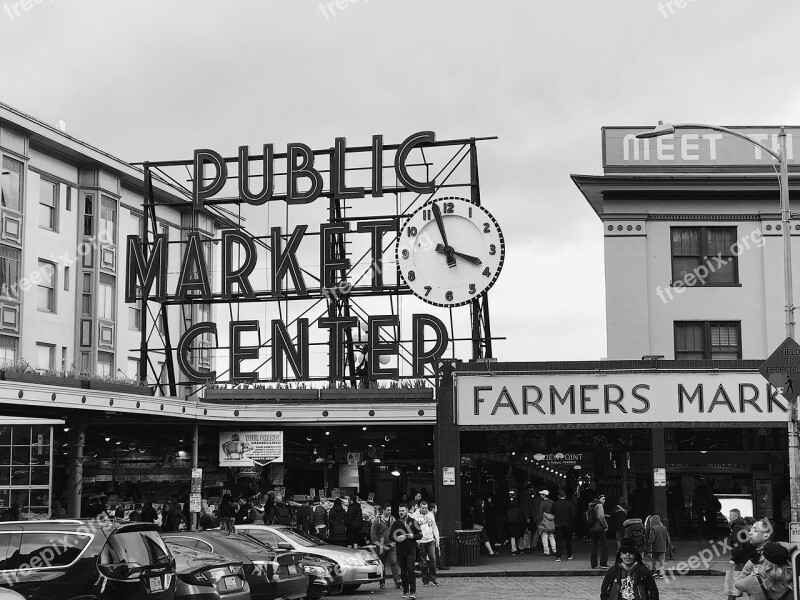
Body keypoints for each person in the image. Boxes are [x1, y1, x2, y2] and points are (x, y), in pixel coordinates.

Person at [390, 504, 422, 600]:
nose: (401, 512)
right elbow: (390, 536)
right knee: (403, 571)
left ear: (407, 511)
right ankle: (405, 590)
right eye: (400, 511)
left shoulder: (413, 521)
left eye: (403, 511)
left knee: (410, 569)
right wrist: (397, 538)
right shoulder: (396, 523)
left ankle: (412, 591)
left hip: (411, 549)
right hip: (400, 549)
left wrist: (412, 536)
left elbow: (420, 535)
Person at [370, 504, 400, 590]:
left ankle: (397, 580)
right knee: (382, 564)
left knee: (394, 562)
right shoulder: (377, 521)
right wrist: (378, 544)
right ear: (383, 510)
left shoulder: (393, 519)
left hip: (392, 545)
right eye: (387, 510)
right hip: (381, 546)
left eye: (390, 510)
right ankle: (382, 581)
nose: (389, 512)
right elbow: (373, 534)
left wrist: (396, 540)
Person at [416, 501, 439, 586]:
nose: (424, 510)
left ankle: (432, 578)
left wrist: (437, 538)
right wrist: (417, 540)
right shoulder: (416, 516)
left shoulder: (431, 515)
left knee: (433, 559)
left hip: (430, 540)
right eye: (423, 508)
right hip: (421, 541)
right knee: (423, 562)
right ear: (420, 508)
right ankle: (425, 580)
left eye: (425, 508)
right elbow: (414, 528)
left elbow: (434, 526)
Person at [552, 489, 575, 561]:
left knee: (558, 541)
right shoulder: (569, 504)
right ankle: (569, 555)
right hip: (567, 524)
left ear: (558, 496)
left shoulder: (555, 504)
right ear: (565, 496)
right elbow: (573, 515)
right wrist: (571, 522)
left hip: (558, 524)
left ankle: (558, 557)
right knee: (568, 540)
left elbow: (552, 512)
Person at [588, 493, 610, 569]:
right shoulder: (599, 505)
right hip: (599, 528)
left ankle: (593, 564)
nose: (604, 501)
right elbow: (600, 516)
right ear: (599, 499)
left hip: (592, 528)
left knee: (594, 546)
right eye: (603, 499)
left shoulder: (591, 505)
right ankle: (603, 563)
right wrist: (606, 526)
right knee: (605, 546)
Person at [646, 514, 671, 579]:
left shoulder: (653, 528)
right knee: (661, 561)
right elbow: (667, 538)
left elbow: (652, 538)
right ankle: (661, 573)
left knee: (654, 560)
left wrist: (648, 544)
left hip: (655, 548)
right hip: (663, 548)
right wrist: (668, 547)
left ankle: (654, 572)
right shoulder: (664, 528)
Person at [536, 489, 556, 557]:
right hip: (551, 521)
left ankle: (546, 551)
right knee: (551, 536)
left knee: (544, 536)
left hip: (544, 521)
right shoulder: (552, 502)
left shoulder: (542, 503)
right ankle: (554, 550)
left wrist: (539, 523)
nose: (540, 495)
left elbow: (540, 514)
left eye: (541, 494)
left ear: (544, 495)